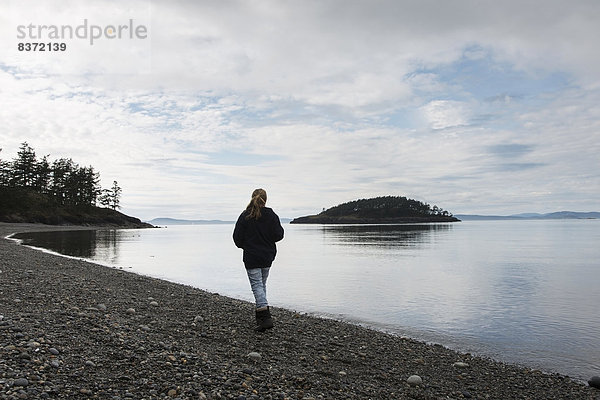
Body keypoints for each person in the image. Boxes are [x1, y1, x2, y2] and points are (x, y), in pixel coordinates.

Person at [233, 188, 284, 331]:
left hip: (252, 256)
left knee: (257, 286)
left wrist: (247, 245)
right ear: (265, 200)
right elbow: (279, 235)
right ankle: (261, 316)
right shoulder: (271, 215)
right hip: (267, 255)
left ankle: (265, 317)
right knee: (261, 285)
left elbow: (237, 239)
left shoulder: (245, 216)